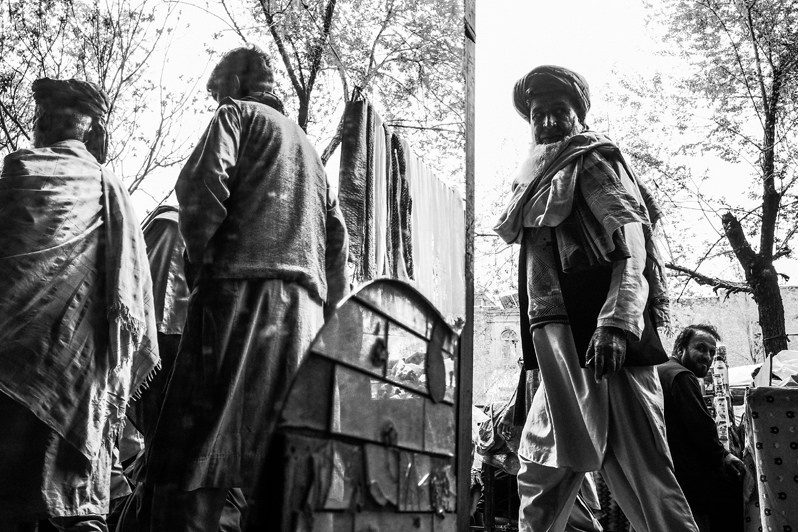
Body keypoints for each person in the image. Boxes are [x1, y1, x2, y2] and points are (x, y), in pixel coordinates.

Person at [144, 46, 349, 530]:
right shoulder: (312, 155)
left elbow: (201, 185)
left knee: (202, 446)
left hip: (236, 296)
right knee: (281, 460)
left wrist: (203, 264)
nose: (215, 100)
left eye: (216, 91)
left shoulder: (236, 116)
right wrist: (323, 311)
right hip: (303, 317)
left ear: (236, 84)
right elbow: (339, 247)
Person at [494, 65, 698, 532]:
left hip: (604, 339)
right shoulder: (534, 179)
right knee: (540, 470)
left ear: (578, 116)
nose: (546, 122)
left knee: (644, 476)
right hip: (556, 342)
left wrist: (616, 323)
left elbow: (631, 241)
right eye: (538, 114)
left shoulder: (592, 160)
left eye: (557, 112)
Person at [0, 78, 159, 531]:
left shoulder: (20, 172)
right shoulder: (111, 192)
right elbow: (132, 303)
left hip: (13, 371)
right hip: (76, 379)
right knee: (69, 507)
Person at [658, 324, 746, 532]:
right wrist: (724, 456)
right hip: (687, 479)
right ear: (680, 349)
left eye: (712, 352)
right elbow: (701, 428)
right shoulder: (681, 376)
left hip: (664, 474)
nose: (707, 356)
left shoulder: (660, 370)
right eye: (701, 348)